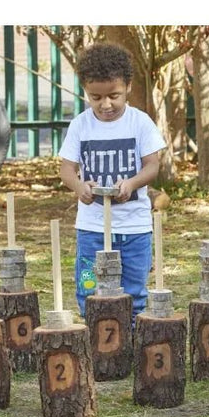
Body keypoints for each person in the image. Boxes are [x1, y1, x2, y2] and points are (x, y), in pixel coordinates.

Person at [59, 43, 166, 322]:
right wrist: (79, 186)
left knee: (134, 288)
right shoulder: (80, 125)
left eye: (114, 96)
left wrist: (131, 183)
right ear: (85, 90)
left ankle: (131, 334)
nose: (105, 105)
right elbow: (67, 169)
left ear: (128, 87)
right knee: (88, 284)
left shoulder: (140, 123)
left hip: (134, 227)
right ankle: (94, 330)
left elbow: (152, 165)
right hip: (91, 227)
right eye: (96, 97)